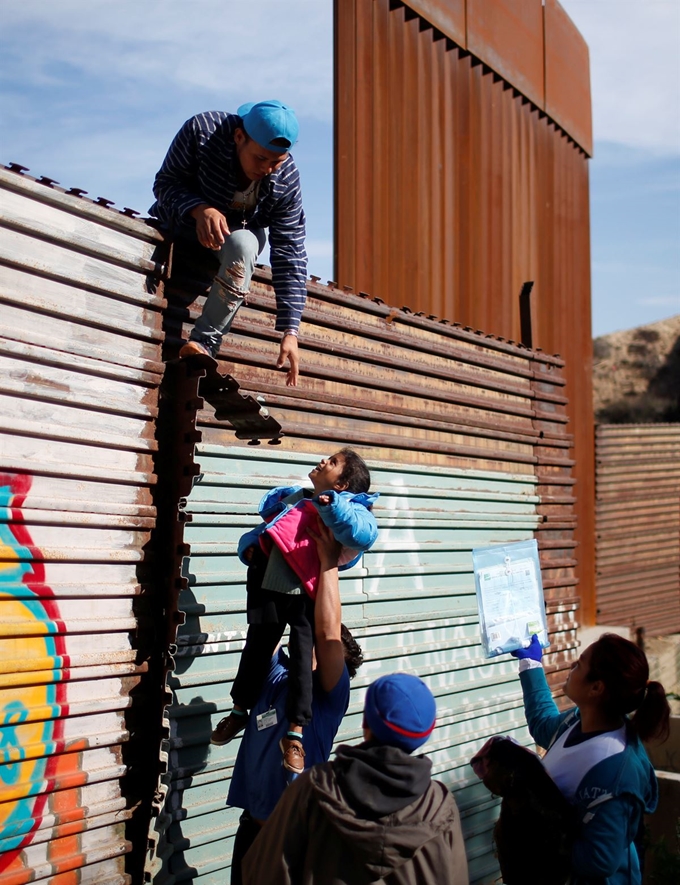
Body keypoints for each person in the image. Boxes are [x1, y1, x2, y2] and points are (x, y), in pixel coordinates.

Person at [211, 448, 378, 774]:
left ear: (342, 484)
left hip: (304, 587)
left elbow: (363, 534)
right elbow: (269, 525)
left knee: (303, 653)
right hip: (269, 578)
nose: (322, 461)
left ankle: (295, 734)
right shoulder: (298, 498)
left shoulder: (348, 508)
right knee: (257, 645)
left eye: (332, 463)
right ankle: (238, 709)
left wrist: (333, 506)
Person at [226, 519, 364, 885]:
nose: (308, 646)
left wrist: (328, 563)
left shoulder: (329, 697)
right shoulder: (276, 674)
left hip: (292, 841)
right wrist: (280, 540)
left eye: (317, 647)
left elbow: (325, 631)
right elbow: (266, 629)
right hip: (250, 832)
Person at [241, 671, 470, 885]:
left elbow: (263, 873)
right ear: (427, 732)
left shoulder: (313, 789)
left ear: (365, 723)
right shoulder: (440, 805)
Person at [149, 100, 307, 385]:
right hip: (180, 227)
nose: (269, 169)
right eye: (260, 158)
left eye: (276, 162)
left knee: (247, 243)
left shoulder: (286, 178)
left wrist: (290, 330)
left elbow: (290, 251)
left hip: (232, 244)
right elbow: (165, 183)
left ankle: (204, 344)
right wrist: (199, 209)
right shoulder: (203, 131)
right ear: (238, 137)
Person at [512, 632, 671, 885]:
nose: (572, 666)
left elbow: (599, 859)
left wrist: (533, 831)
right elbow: (544, 725)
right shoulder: (579, 720)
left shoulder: (614, 771)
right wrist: (531, 665)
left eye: (580, 664)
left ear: (596, 688)